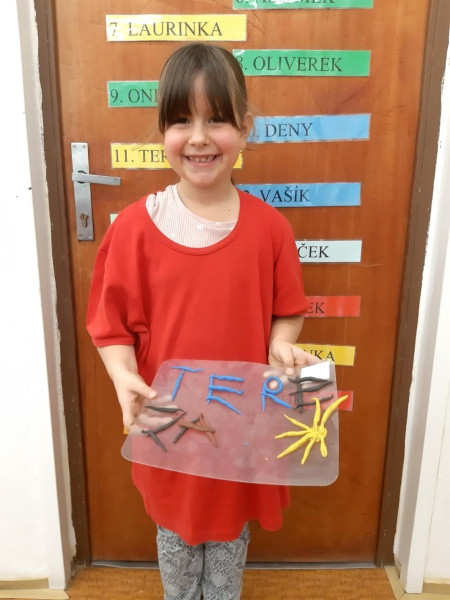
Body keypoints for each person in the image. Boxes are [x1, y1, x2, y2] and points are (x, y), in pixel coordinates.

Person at [87, 43, 317, 600]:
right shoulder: (134, 229)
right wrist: (122, 375)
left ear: (245, 128)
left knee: (229, 544)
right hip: (170, 422)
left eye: (216, 119)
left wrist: (281, 345)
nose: (198, 137)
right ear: (161, 131)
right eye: (180, 121)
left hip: (241, 424)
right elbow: (110, 325)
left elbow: (287, 309)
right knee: (176, 540)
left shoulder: (270, 229)